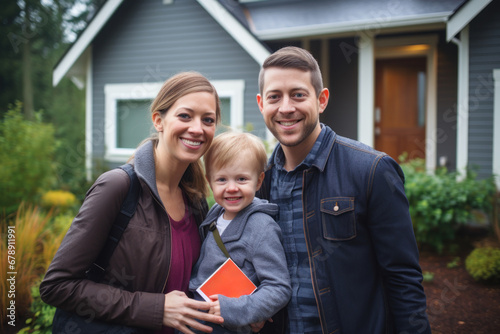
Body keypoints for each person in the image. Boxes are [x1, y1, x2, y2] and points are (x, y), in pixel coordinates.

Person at [255, 46, 431, 333]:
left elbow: (403, 278)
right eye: (275, 97)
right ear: (262, 104)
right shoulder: (260, 180)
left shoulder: (372, 170)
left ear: (321, 100)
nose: (286, 107)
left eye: (298, 94)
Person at [40, 72, 225, 334]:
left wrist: (245, 308)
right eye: (185, 116)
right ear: (158, 120)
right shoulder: (118, 187)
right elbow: (56, 286)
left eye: (208, 120)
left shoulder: (196, 201)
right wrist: (156, 308)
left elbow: (196, 284)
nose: (197, 128)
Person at [188, 131, 292, 333]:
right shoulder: (216, 214)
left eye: (242, 179)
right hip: (198, 319)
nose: (232, 188)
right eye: (222, 180)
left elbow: (278, 287)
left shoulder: (261, 226)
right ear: (210, 182)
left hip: (226, 326)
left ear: (259, 181)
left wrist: (238, 310)